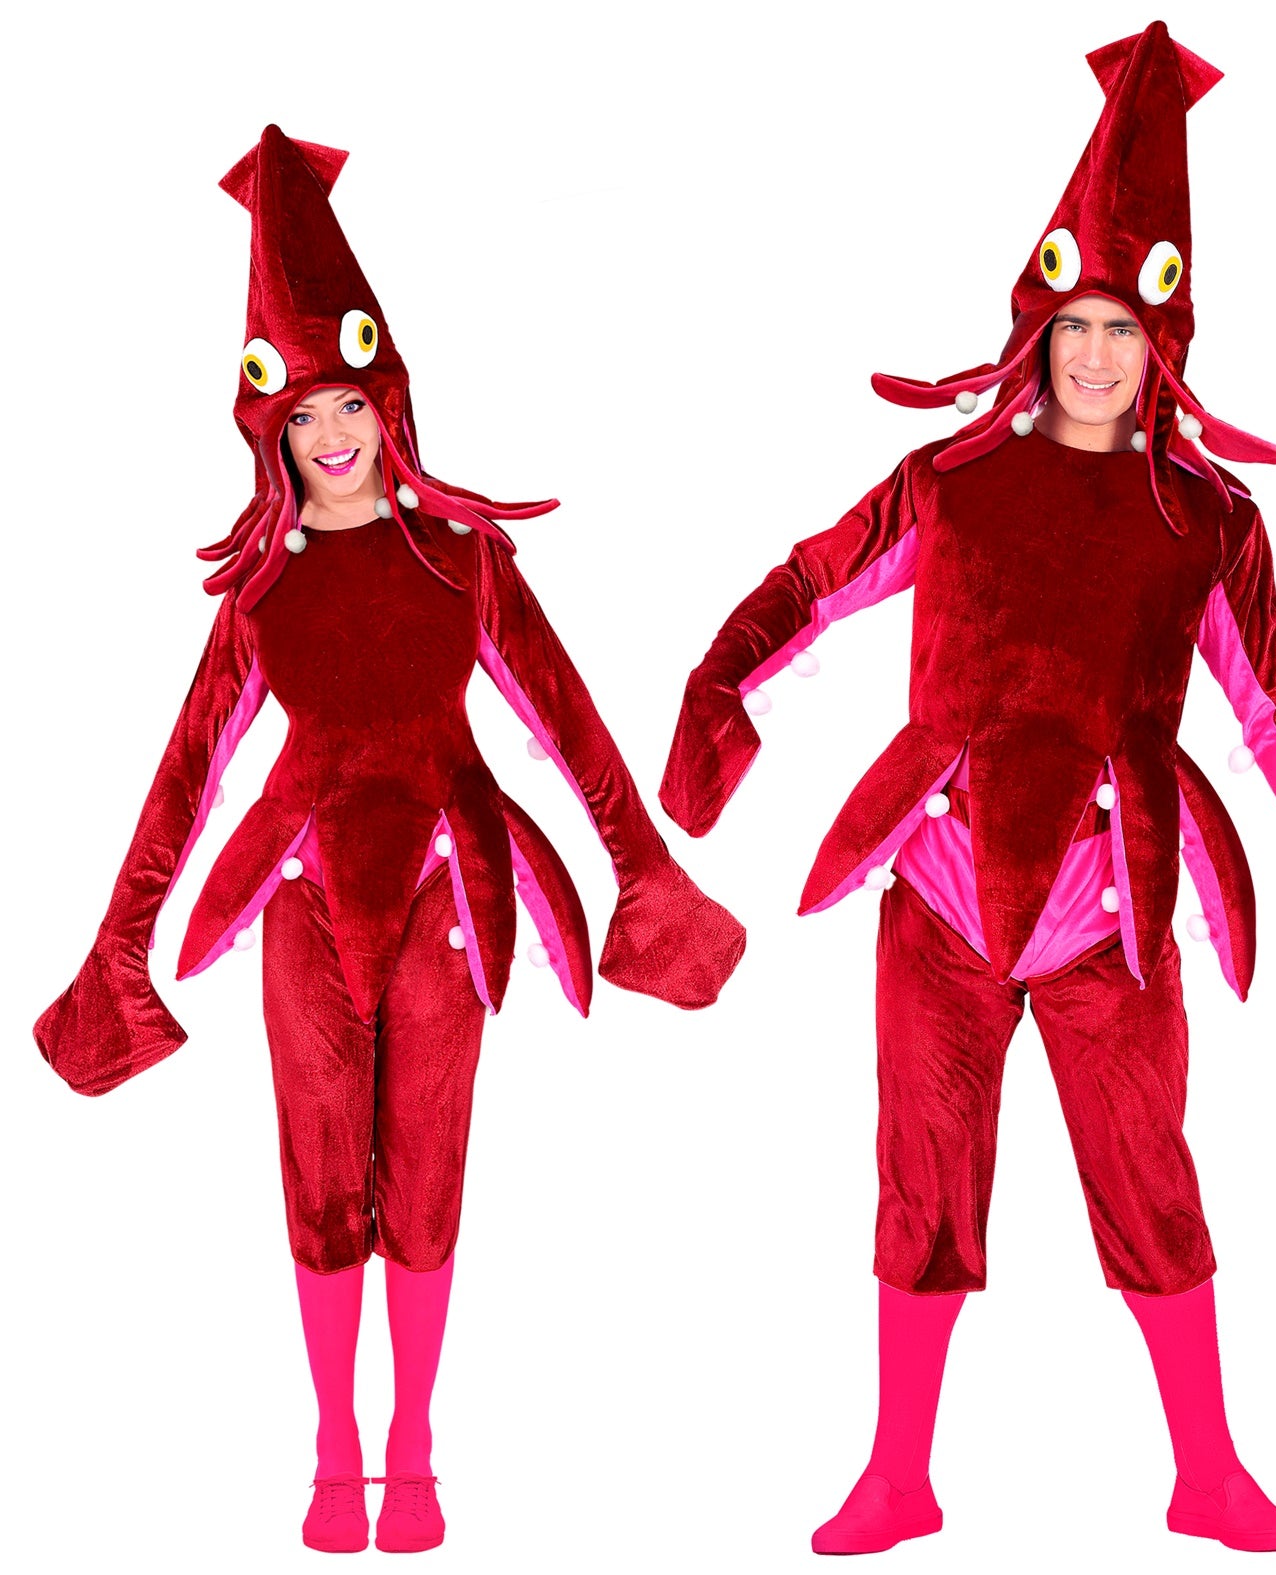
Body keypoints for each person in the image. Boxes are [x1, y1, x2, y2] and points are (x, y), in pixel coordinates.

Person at [659, 24, 1276, 1557]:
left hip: (1114, 912)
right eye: (1074, 323)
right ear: (1033, 323)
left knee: (1149, 1177)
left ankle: (1207, 1473)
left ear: (1164, 338)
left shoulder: (1205, 519)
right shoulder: (950, 484)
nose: (1095, 353)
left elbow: (1273, 700)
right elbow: (807, 586)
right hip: (938, 896)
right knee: (919, 1181)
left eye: (1124, 326)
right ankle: (896, 1477)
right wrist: (715, 692)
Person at [33, 125, 745, 1556]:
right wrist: (120, 945)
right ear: (269, 431)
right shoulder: (259, 597)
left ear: (389, 399)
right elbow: (185, 775)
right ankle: (332, 1444)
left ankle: (412, 1445)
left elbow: (569, 724)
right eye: (302, 416)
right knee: (315, 1180)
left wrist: (643, 875)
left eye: (349, 403)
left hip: (446, 897)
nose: (332, 436)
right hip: (301, 903)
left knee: (426, 1173)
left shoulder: (465, 563)